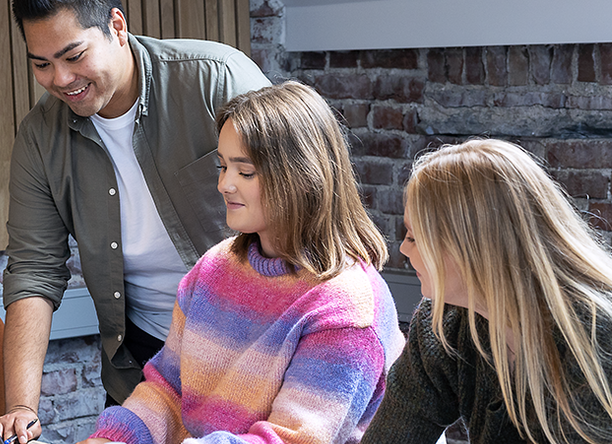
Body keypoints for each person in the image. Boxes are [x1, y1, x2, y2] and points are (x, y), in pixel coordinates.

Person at [0, 0, 271, 441]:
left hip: (253, 342)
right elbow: (34, 269)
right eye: (42, 64)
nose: (61, 79)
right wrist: (21, 408)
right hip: (146, 361)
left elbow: (301, 203)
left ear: (117, 27)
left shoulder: (216, 80)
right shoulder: (41, 136)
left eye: (73, 55)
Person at [78, 81, 405, 444]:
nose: (224, 184)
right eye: (222, 166)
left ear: (299, 177)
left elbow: (291, 440)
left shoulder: (347, 311)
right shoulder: (213, 268)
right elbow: (168, 389)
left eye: (244, 172)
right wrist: (114, 438)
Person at [363, 139, 612, 444]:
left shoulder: (595, 333)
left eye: (416, 237)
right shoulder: (443, 323)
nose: (403, 249)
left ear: (474, 248)